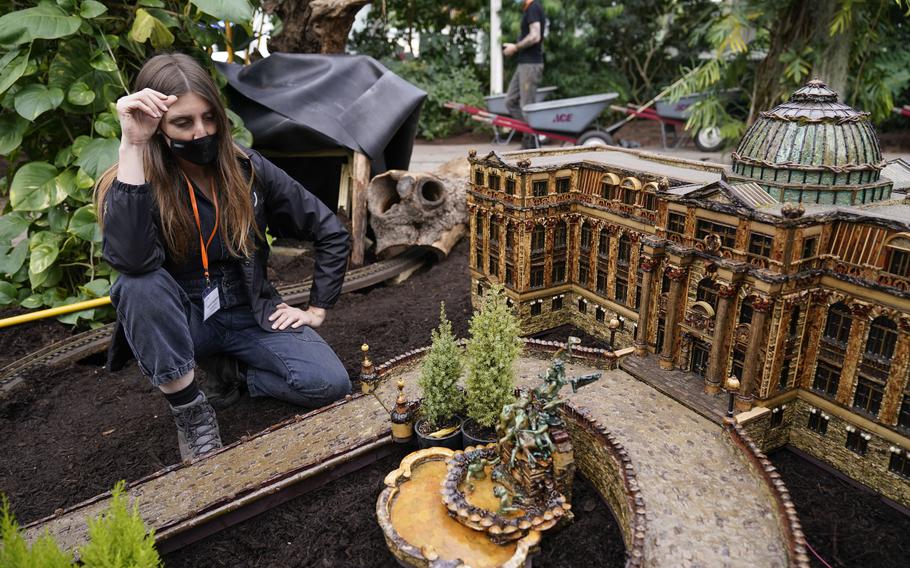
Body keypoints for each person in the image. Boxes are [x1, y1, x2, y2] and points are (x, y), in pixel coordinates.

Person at [95, 53, 352, 461]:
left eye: (209, 117)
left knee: (329, 384)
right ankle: (191, 410)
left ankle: (231, 374)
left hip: (248, 304)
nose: (201, 132)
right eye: (183, 122)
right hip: (185, 316)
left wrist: (318, 307)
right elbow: (132, 262)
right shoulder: (133, 179)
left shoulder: (245, 166)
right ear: (158, 125)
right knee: (137, 283)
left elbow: (327, 228)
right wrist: (133, 143)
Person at [503, 0, 546, 149]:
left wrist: (515, 47)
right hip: (524, 64)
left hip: (531, 64)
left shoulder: (534, 7)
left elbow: (535, 36)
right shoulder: (528, 8)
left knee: (527, 106)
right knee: (510, 101)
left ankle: (531, 143)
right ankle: (529, 136)